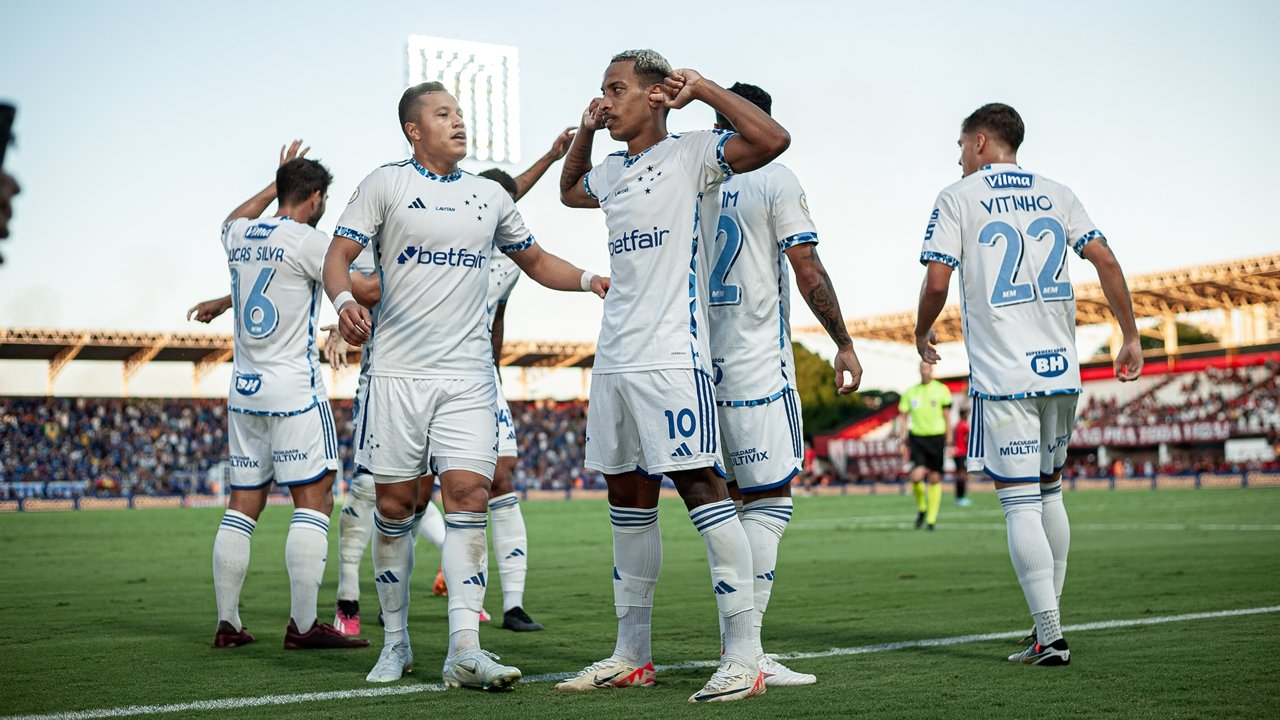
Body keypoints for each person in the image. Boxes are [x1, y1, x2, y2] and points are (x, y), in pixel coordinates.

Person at [324, 82, 607, 689]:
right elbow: (336, 257)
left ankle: (464, 649)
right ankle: (395, 643)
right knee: (396, 507)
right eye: (442, 114)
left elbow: (535, 259)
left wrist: (588, 279)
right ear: (413, 130)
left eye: (459, 112)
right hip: (397, 376)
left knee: (469, 497)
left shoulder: (487, 196)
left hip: (469, 379)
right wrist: (344, 299)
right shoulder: (384, 184)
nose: (458, 121)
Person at [555, 49, 789, 703]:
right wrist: (583, 127)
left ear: (657, 94)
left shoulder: (691, 155)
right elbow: (571, 191)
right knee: (627, 504)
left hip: (671, 357)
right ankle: (632, 655)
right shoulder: (611, 168)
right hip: (615, 361)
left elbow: (772, 139)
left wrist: (705, 88)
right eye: (602, 88)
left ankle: (745, 657)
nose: (607, 99)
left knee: (703, 489)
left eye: (617, 88)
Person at [914, 103, 1143, 666]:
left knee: (1019, 504)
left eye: (962, 143)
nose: (959, 155)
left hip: (1004, 374)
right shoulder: (1058, 192)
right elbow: (1107, 262)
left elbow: (937, 278)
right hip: (1060, 371)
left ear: (983, 142)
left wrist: (921, 333)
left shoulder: (957, 197)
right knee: (1050, 494)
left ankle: (1050, 633)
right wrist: (1130, 334)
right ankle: (1049, 625)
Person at [706, 82, 862, 687]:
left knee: (714, 506)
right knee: (768, 504)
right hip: (754, 369)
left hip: (693, 366)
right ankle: (746, 653)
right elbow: (808, 269)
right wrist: (843, 341)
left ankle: (655, 648)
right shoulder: (774, 175)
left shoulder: (683, 170)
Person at [210, 140, 368, 651]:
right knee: (314, 499)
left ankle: (228, 623)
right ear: (317, 198)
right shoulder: (307, 240)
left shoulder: (239, 234)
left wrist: (274, 180)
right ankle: (303, 627)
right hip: (294, 390)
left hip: (244, 390)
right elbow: (356, 284)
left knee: (242, 505)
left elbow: (234, 216)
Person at [898, 362, 951, 530]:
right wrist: (902, 440)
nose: (924, 371)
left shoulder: (942, 390)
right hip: (917, 438)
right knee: (916, 476)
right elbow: (903, 417)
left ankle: (931, 519)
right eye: (921, 368)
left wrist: (949, 439)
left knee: (935, 478)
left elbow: (947, 417)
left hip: (936, 437)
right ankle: (922, 507)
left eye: (927, 368)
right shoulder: (911, 392)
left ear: (931, 370)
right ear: (919, 370)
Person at [953, 407, 972, 506]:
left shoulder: (957, 425)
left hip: (957, 452)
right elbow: (969, 438)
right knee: (963, 475)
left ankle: (958, 497)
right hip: (962, 452)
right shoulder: (964, 425)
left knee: (959, 475)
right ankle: (961, 497)